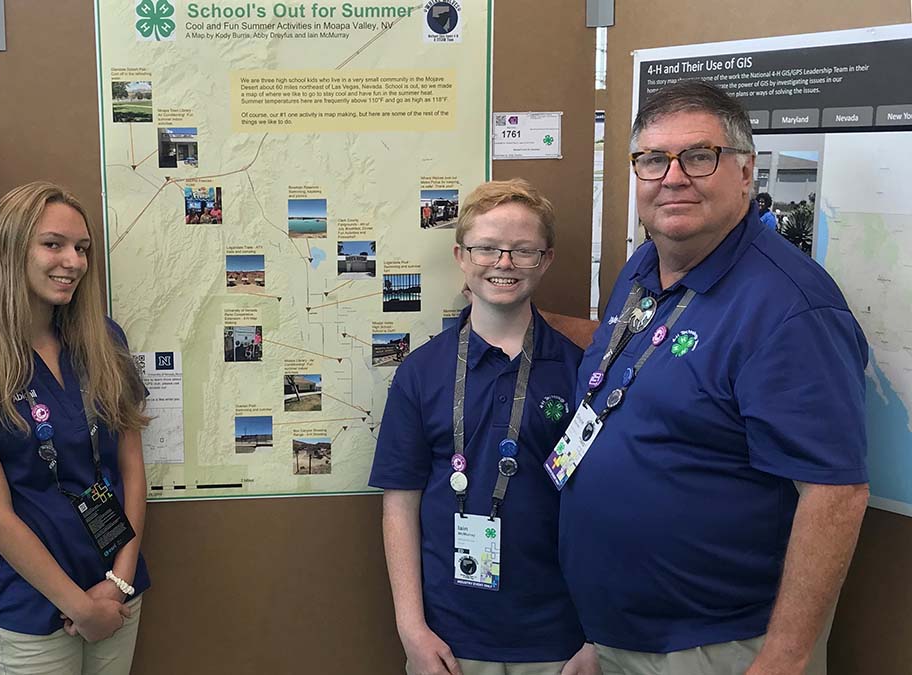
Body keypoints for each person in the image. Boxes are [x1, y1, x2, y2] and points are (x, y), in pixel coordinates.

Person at [558, 80, 868, 675]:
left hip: (719, 646)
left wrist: (784, 658)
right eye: (653, 159)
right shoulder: (648, 264)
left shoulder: (789, 309)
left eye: (700, 156)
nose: (673, 177)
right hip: (621, 632)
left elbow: (836, 494)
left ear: (746, 173)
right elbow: (625, 361)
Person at [370, 179, 599, 675]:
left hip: (560, 642)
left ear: (546, 259)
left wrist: (596, 637)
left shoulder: (581, 372)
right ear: (460, 255)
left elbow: (604, 509)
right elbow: (399, 506)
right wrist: (412, 631)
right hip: (448, 643)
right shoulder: (420, 372)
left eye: (523, 250)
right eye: (488, 248)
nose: (504, 263)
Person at [0, 181, 150, 674]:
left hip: (119, 588)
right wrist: (79, 605)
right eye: (53, 244)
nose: (72, 261)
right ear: (10, 251)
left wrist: (118, 581)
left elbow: (132, 468)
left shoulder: (103, 340)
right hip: (31, 608)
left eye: (82, 248)